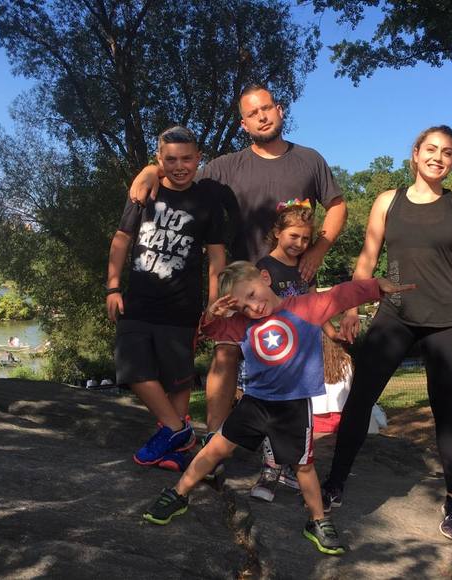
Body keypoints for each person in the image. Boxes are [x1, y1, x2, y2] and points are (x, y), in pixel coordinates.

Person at [129, 84, 347, 471]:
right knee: (225, 353)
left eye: (267, 108)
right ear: (243, 124)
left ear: (279, 110)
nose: (262, 116)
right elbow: (181, 170)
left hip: (290, 285)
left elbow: (337, 206)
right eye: (252, 113)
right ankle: (213, 444)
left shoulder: (309, 160)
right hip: (242, 282)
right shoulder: (228, 166)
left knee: (289, 364)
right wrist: (150, 169)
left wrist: (318, 250)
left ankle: (287, 457)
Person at [142, 261, 415, 556]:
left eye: (252, 294)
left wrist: (375, 286)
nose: (253, 307)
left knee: (303, 466)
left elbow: (341, 295)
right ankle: (178, 493)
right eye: (243, 306)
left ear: (264, 277)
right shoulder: (242, 324)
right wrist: (211, 314)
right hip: (255, 404)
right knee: (215, 448)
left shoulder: (305, 307)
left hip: (293, 408)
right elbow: (212, 330)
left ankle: (318, 520)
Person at [321, 125, 452, 542]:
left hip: (447, 319)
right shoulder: (387, 201)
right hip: (394, 316)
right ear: (415, 154)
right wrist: (352, 308)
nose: (438, 157)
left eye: (447, 152)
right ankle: (335, 483)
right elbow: (368, 257)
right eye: (430, 149)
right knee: (360, 399)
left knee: (446, 409)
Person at [106, 125, 226, 471]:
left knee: (178, 379)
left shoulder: (207, 202)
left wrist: (214, 301)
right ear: (159, 159)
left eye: (186, 159)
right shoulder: (145, 192)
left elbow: (217, 255)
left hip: (182, 306)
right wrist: (112, 286)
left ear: (198, 158)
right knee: (132, 368)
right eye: (170, 159)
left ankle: (173, 449)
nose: (179, 166)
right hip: (138, 301)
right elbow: (121, 239)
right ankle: (178, 430)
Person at [249, 200, 337, 502]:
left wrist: (331, 332)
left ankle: (290, 468)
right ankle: (269, 471)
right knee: (272, 415)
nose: (299, 244)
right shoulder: (264, 269)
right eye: (293, 236)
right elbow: (257, 309)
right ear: (277, 233)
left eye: (305, 239)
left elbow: (316, 305)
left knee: (298, 418)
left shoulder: (306, 268)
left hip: (302, 360)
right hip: (274, 358)